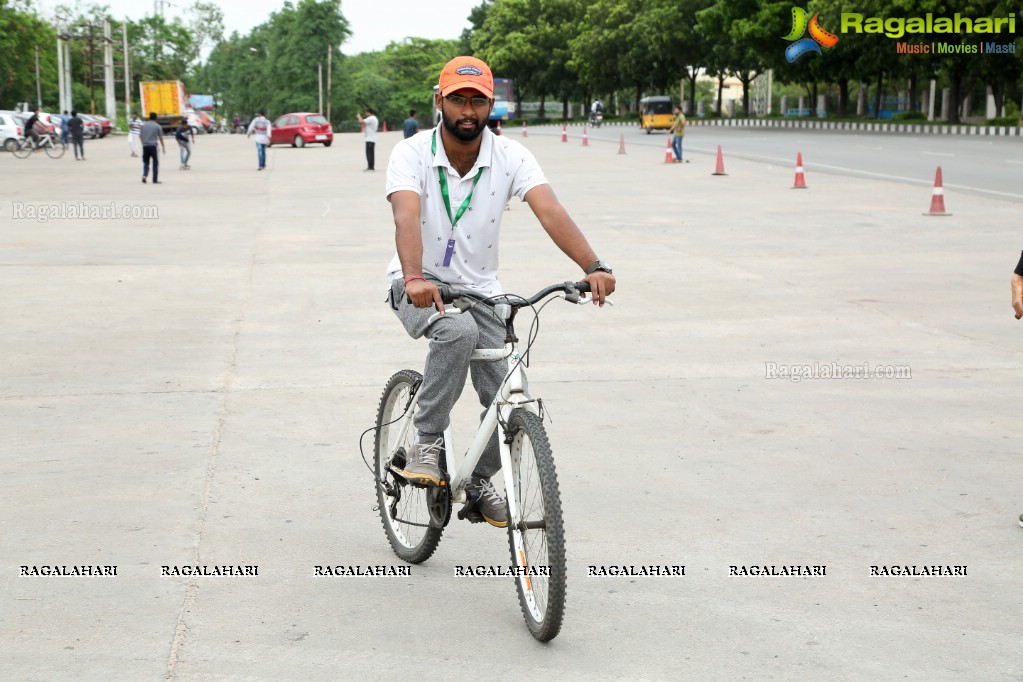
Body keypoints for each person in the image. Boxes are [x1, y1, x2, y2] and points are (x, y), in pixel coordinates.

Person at [384, 56, 615, 527]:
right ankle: (427, 439)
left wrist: (592, 264)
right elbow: (405, 216)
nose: (467, 110)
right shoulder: (410, 153)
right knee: (456, 333)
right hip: (416, 283)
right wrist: (413, 276)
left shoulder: (511, 156)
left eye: (477, 101)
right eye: (458, 99)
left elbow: (549, 209)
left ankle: (479, 479)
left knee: (507, 394)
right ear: (439, 101)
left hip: (482, 291)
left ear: (492, 105)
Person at [140, 112, 166, 184]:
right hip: (153, 146)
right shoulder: (157, 126)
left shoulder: (144, 125)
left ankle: (144, 175)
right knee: (155, 163)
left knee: (146, 162)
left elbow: (140, 135)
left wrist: (143, 142)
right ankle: (155, 179)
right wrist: (163, 146)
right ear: (156, 118)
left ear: (149, 117)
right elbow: (160, 137)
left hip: (145, 146)